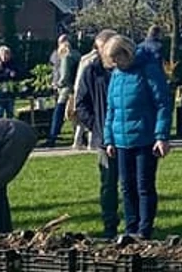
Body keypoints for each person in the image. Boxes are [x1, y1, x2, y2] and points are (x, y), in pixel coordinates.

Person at [102, 34, 174, 239]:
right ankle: (130, 228)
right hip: (121, 140)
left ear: (127, 53)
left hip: (145, 138)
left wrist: (161, 136)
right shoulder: (116, 75)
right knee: (126, 186)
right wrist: (109, 139)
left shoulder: (148, 69)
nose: (116, 64)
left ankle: (144, 229)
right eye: (112, 61)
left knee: (144, 185)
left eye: (118, 59)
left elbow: (162, 104)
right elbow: (112, 108)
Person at [75, 29, 122, 237]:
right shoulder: (92, 71)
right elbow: (81, 104)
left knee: (132, 183)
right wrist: (97, 127)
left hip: (127, 133)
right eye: (100, 48)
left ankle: (135, 224)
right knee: (108, 183)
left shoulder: (126, 69)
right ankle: (109, 224)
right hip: (104, 136)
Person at [47, 35, 80, 147]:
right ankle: (79, 136)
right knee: (75, 114)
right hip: (76, 88)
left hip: (66, 90)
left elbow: (64, 75)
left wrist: (57, 84)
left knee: (59, 112)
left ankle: (52, 137)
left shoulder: (66, 57)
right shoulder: (77, 55)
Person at [0, 46, 25, 120]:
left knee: (10, 112)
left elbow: (18, 74)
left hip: (10, 92)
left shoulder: (12, 63)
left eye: (7, 54)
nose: (6, 57)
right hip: (0, 92)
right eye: (4, 54)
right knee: (0, 112)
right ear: (0, 55)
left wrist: (14, 74)